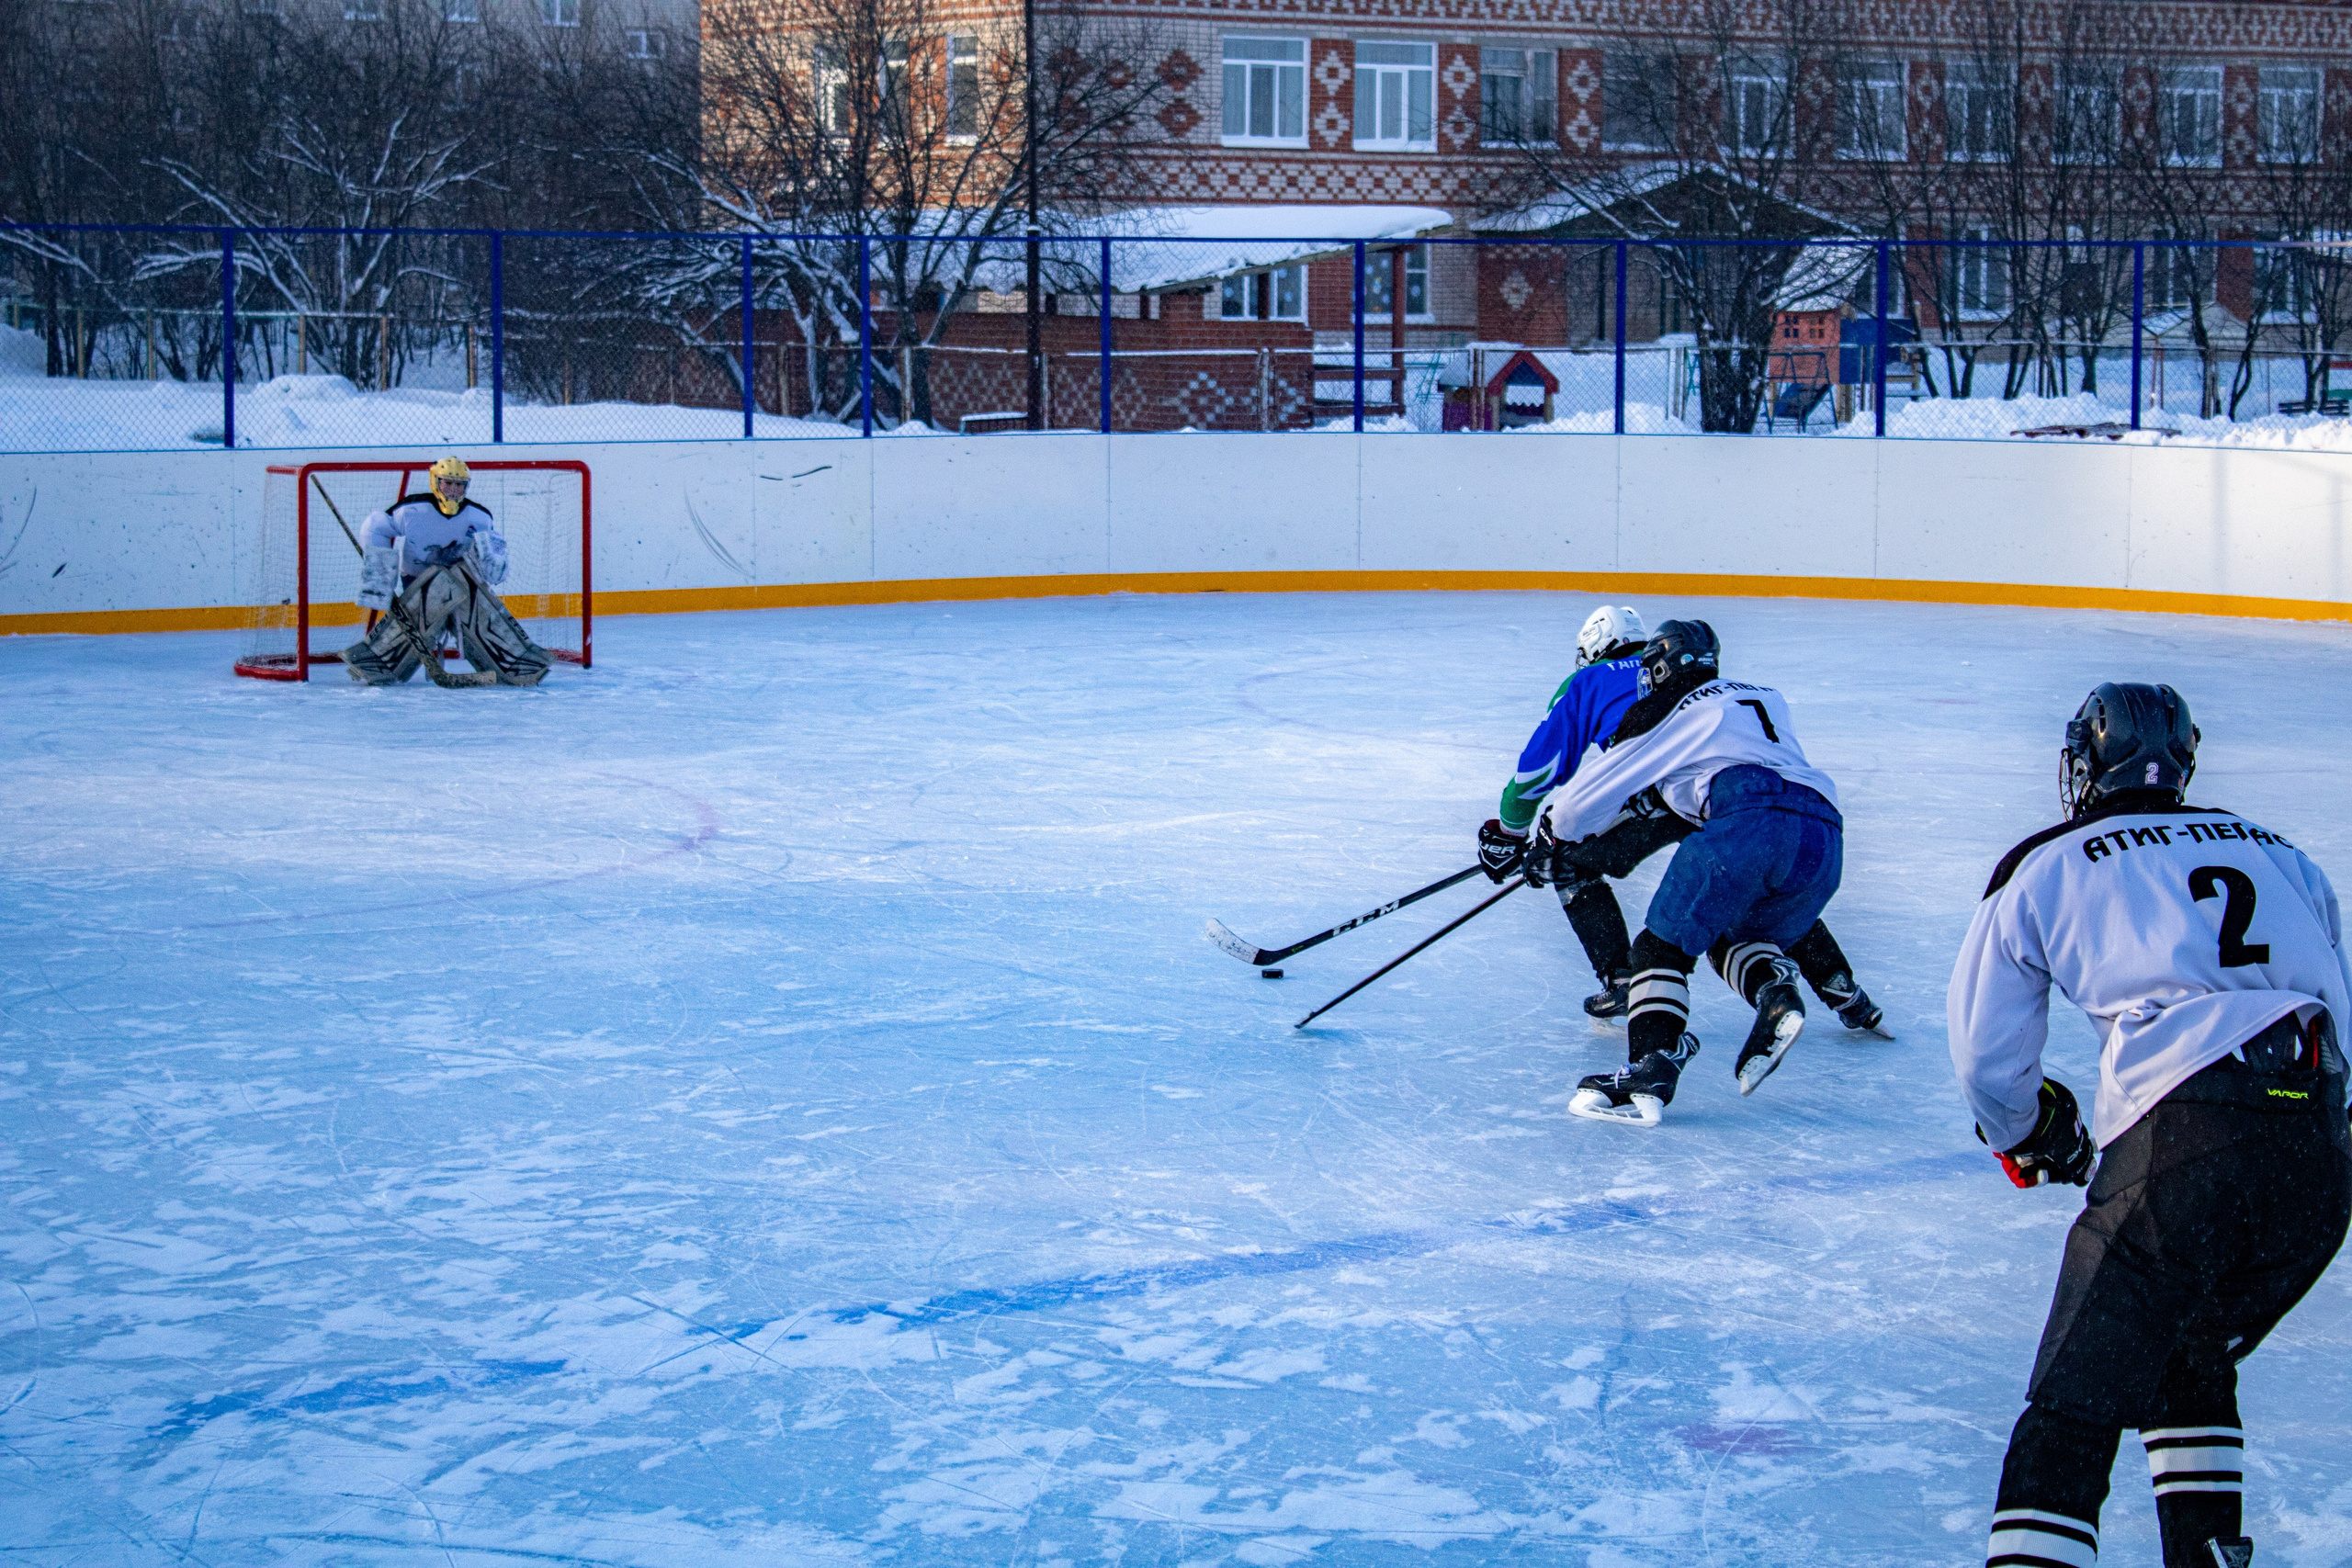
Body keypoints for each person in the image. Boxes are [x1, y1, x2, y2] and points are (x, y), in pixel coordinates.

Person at [1948, 682, 2351, 1568]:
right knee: (2188, 1347)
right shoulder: (2280, 851)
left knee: (2071, 1409)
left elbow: (1986, 1056)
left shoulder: (2051, 858)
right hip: (2319, 1155)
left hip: (2183, 1147)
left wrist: (2025, 1130)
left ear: (2088, 764)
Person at [1481, 605, 1884, 1034]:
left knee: (1570, 865)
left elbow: (1540, 769)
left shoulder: (1590, 680)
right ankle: (1841, 987)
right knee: (1756, 878)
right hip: (1726, 788)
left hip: (1651, 795)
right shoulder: (1707, 682)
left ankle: (1624, 983)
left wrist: (1512, 833)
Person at [1523, 619, 1846, 1125]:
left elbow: (1576, 809)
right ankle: (1775, 993)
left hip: (1747, 820)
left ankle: (1650, 1069)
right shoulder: (1764, 697)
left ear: (1662, 664)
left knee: (1659, 949)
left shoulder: (1670, 709)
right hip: (1824, 833)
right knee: (1729, 932)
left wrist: (1549, 837)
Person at [342, 457, 550, 687]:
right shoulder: (412, 509)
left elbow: (493, 565)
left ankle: (514, 663)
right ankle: (379, 662)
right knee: (422, 617)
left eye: (459, 484)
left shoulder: (479, 517)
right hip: (418, 582)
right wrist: (381, 575)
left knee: (478, 613)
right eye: (447, 483)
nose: (453, 490)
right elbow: (375, 525)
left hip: (464, 583)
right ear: (435, 482)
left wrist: (494, 563)